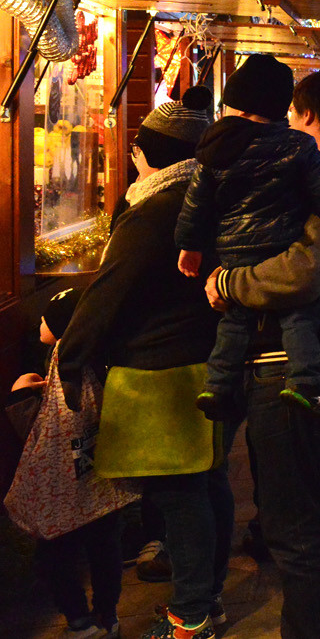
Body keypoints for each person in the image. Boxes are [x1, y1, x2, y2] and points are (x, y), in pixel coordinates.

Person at [209, 69, 320, 639]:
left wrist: (229, 282)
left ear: (308, 116)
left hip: (298, 367)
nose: (285, 123)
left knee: (296, 528)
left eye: (291, 114)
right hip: (306, 361)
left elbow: (305, 272)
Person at [56, 95, 235, 639]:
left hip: (159, 371)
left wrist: (70, 356)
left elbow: (110, 292)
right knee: (207, 485)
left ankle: (191, 613)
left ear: (144, 153)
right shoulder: (207, 197)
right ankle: (208, 598)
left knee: (180, 495)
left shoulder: (156, 208)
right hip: (208, 361)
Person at [176, 55, 320, 421]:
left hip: (233, 250)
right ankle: (304, 383)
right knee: (298, 318)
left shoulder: (213, 150)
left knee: (233, 321)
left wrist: (190, 246)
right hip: (280, 241)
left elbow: (195, 204)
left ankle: (216, 386)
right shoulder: (297, 147)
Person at [8, 289, 126, 639]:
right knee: (105, 547)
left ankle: (79, 622)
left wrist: (19, 395)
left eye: (45, 319)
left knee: (54, 552)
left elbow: (43, 429)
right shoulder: (100, 354)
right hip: (102, 484)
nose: (39, 324)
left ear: (61, 327)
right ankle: (108, 615)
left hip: (64, 487)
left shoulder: (64, 355)